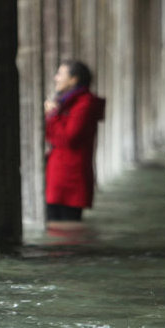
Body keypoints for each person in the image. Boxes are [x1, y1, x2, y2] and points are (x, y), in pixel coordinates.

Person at [44, 60, 105, 222]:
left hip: (71, 178)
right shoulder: (66, 102)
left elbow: (69, 138)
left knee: (67, 227)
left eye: (60, 74)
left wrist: (53, 115)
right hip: (58, 175)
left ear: (73, 79)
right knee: (57, 226)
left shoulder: (85, 103)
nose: (56, 78)